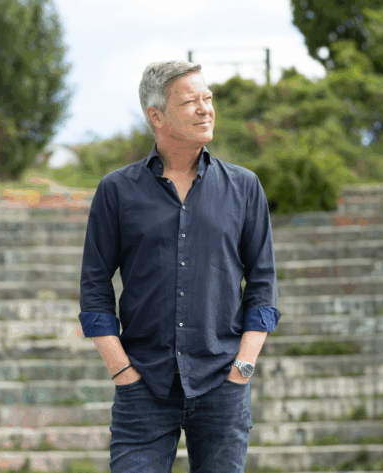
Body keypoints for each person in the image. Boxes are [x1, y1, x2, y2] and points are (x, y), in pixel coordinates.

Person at [78, 60, 281, 473]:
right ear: (156, 116)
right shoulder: (116, 190)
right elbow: (95, 288)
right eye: (191, 102)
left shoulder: (244, 186)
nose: (206, 109)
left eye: (208, 98)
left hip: (223, 383)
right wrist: (121, 371)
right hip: (143, 384)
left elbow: (263, 284)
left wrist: (242, 368)